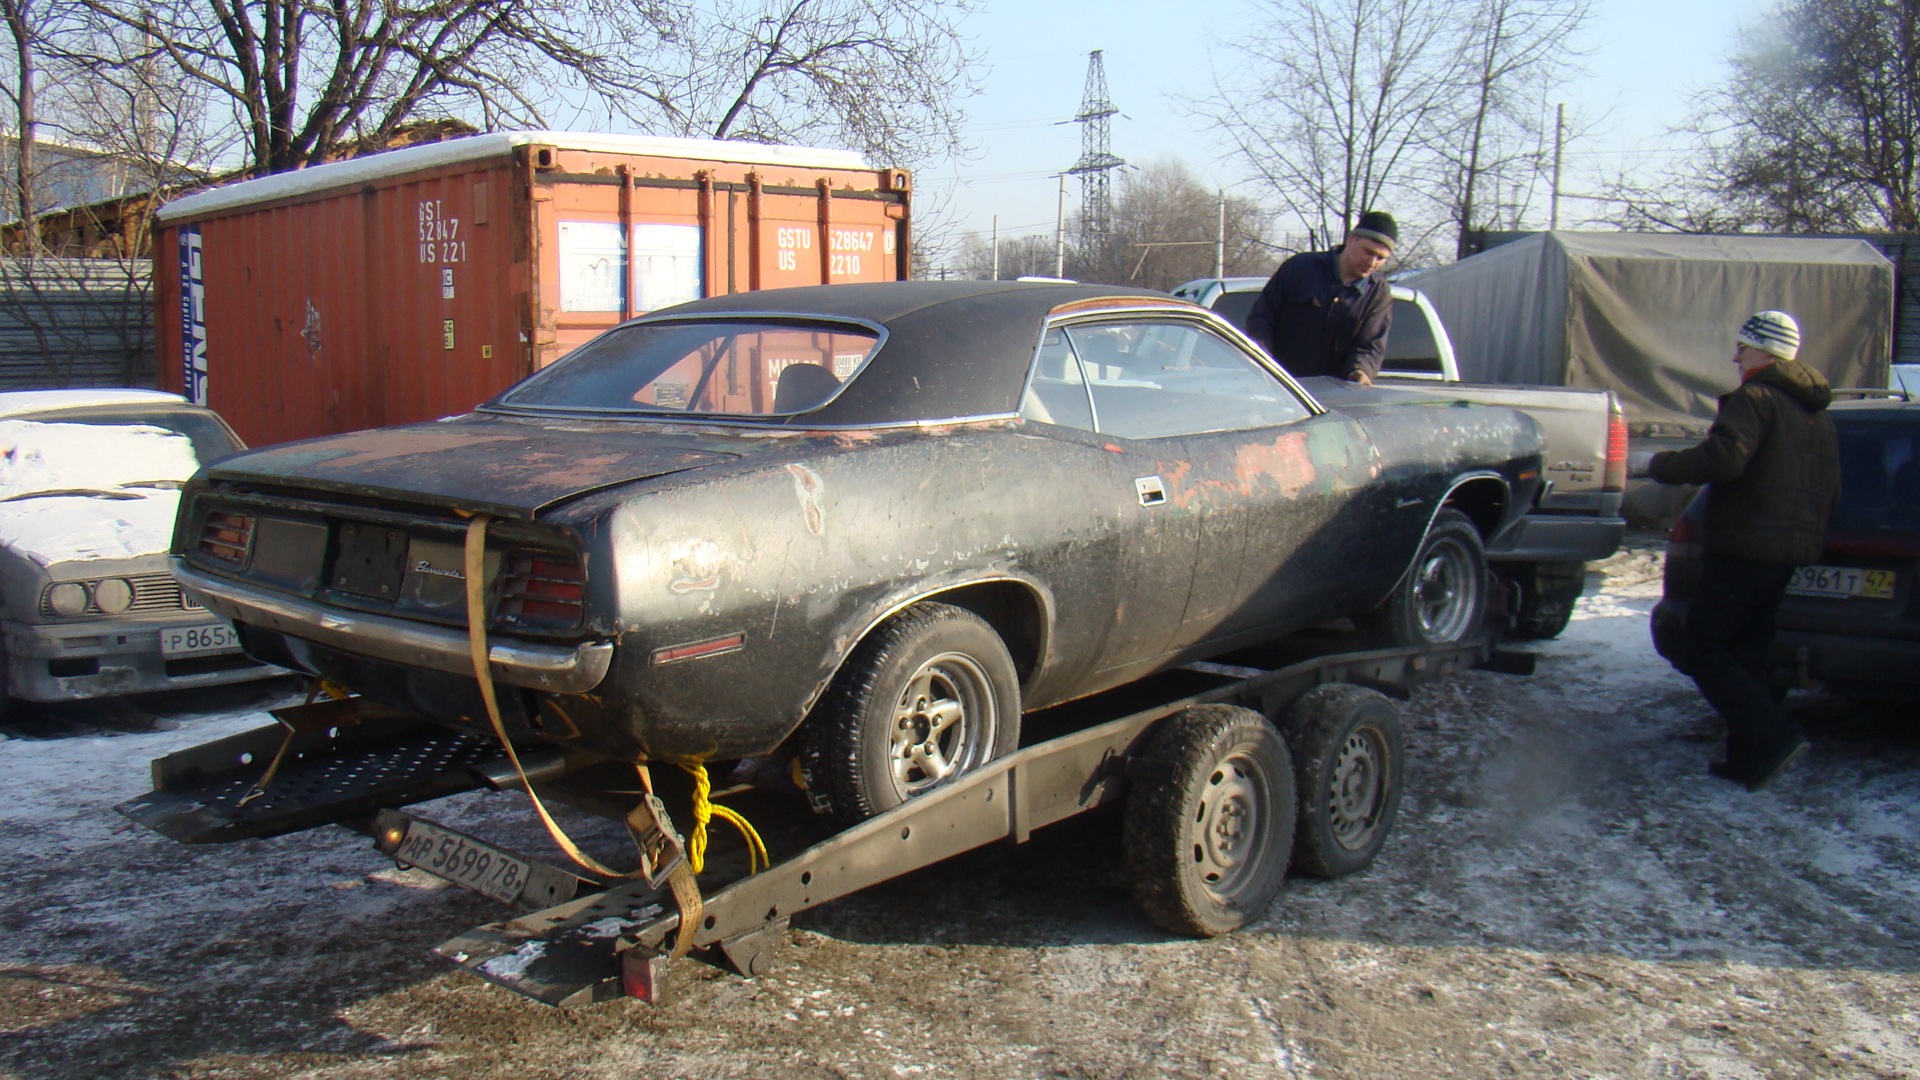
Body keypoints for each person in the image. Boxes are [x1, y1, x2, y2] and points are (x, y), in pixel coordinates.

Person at [1643, 310, 1840, 793]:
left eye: (1743, 348)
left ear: (1767, 354)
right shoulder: (1815, 414)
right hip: (1788, 550)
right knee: (1749, 650)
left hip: (1745, 546)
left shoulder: (1755, 399)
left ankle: (1773, 737)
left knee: (1705, 646)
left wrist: (1662, 464)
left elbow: (1725, 458)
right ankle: (1748, 758)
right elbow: (1830, 488)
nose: (1735, 357)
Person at [1245, 211, 1397, 385]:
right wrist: (1263, 360)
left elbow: (1370, 345)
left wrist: (1360, 371)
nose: (1372, 262)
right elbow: (1261, 319)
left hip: (1336, 397)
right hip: (1281, 386)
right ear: (1351, 240)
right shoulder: (1300, 269)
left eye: (1381, 258)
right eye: (1368, 252)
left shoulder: (1378, 293)